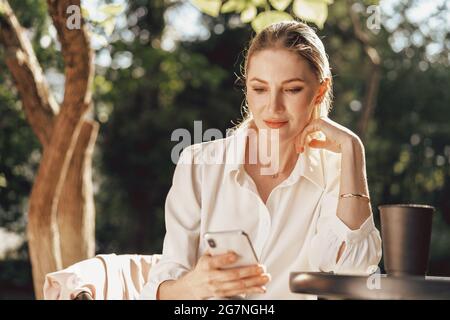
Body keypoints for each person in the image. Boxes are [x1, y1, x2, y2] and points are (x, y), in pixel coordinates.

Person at [140, 20, 382, 300]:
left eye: (292, 89)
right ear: (246, 89)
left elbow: (354, 272)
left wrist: (353, 149)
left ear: (320, 91)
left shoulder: (335, 172)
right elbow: (156, 291)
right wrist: (197, 286)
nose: (273, 107)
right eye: (260, 89)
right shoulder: (198, 165)